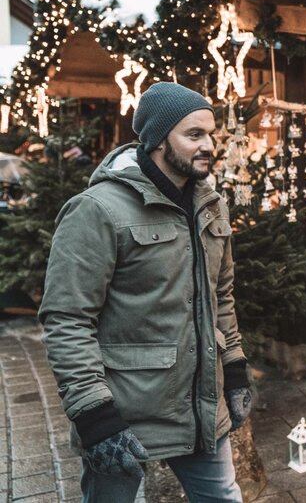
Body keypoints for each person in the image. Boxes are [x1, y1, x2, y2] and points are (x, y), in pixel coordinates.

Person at [39, 82, 251, 502]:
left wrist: (237, 367)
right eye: (194, 135)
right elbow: (67, 318)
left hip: (201, 409)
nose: (209, 144)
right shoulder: (98, 209)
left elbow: (220, 296)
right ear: (156, 139)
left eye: (211, 133)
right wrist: (95, 417)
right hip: (122, 414)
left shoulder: (211, 207)